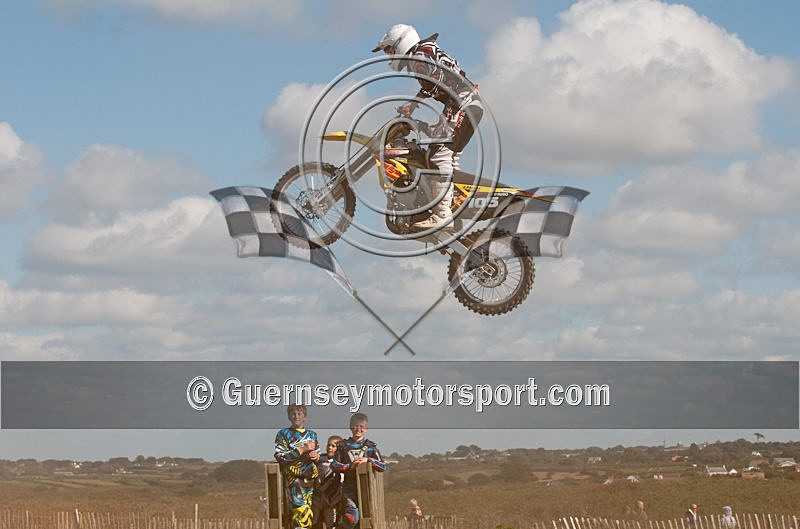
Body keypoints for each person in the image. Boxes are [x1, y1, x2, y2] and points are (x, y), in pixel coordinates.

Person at [372, 24, 483, 230]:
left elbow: (437, 83)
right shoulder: (426, 51)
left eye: (389, 50)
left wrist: (414, 106)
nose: (389, 56)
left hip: (462, 103)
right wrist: (413, 106)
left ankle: (442, 214)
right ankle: (450, 203)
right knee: (443, 153)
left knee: (438, 155)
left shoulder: (420, 58)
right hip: (464, 103)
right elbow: (437, 82)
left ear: (399, 44)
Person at [331, 413, 387, 529]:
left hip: (367, 488)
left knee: (366, 520)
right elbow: (334, 465)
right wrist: (349, 466)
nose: (358, 429)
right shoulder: (342, 446)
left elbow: (383, 466)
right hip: (348, 487)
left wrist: (368, 460)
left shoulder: (371, 447)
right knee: (352, 517)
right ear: (350, 427)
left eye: (361, 426)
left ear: (366, 429)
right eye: (355, 426)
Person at [275, 404, 320, 529]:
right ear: (289, 416)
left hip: (310, 478)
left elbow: (319, 455)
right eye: (293, 414)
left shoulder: (312, 434)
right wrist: (302, 449)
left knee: (309, 514)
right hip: (293, 479)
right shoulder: (283, 434)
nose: (296, 417)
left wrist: (316, 456)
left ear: (304, 416)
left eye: (299, 414)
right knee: (301, 511)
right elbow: (280, 457)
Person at [312, 435, 344, 529]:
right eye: (328, 445)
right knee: (314, 521)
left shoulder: (341, 461)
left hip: (332, 498)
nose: (330, 448)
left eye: (333, 446)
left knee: (332, 523)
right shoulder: (320, 459)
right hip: (318, 496)